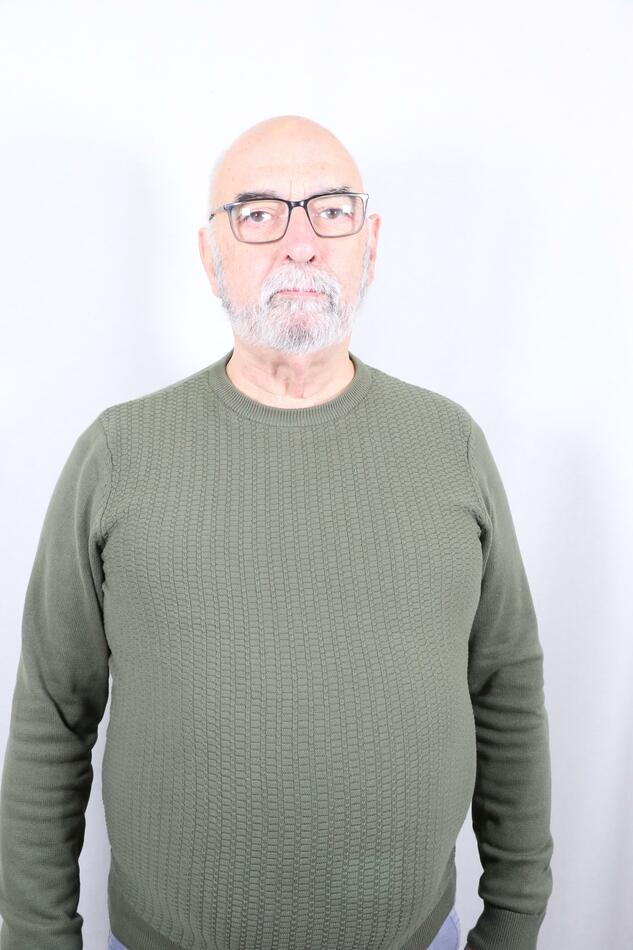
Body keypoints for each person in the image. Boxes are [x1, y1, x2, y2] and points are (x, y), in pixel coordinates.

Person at [0, 114, 553, 950]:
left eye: (330, 210)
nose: (300, 244)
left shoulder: (450, 445)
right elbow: (52, 711)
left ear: (370, 245)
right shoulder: (118, 454)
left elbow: (506, 690)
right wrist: (37, 937)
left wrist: (512, 922)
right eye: (257, 213)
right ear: (209, 254)